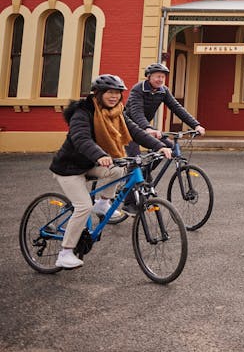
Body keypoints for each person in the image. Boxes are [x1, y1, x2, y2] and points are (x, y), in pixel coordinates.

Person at [49, 74, 173, 269]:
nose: (114, 97)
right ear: (97, 93)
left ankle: (103, 203)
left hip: (89, 164)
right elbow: (81, 139)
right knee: (82, 207)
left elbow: (135, 131)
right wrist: (99, 155)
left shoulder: (116, 112)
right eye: (109, 92)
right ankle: (65, 252)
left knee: (118, 169)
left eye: (117, 93)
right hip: (69, 168)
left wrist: (158, 146)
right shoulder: (83, 112)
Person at [124, 62, 205, 156]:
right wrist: (147, 128)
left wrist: (195, 125)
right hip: (129, 128)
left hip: (146, 128)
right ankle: (135, 170)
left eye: (163, 77)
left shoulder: (163, 91)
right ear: (149, 77)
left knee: (170, 148)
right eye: (158, 76)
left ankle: (147, 170)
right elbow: (137, 112)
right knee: (135, 159)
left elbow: (177, 108)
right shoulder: (138, 89)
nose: (161, 79)